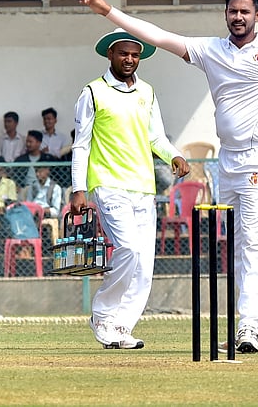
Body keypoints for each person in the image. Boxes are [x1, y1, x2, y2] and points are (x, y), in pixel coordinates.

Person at [76, 0, 258, 354]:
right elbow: (159, 36)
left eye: (245, 12)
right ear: (226, 14)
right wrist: (107, 10)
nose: (238, 17)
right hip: (227, 159)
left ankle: (250, 325)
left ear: (257, 16)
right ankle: (257, 326)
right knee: (236, 246)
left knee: (252, 243)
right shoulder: (211, 50)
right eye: (233, 11)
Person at [72, 28, 190, 349]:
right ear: (110, 54)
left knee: (144, 264)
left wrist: (174, 155)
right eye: (123, 53)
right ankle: (102, 315)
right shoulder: (93, 92)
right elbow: (81, 145)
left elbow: (156, 138)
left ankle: (121, 326)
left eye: (135, 54)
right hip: (108, 185)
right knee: (129, 250)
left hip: (143, 187)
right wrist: (77, 189)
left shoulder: (147, 92)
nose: (129, 59)